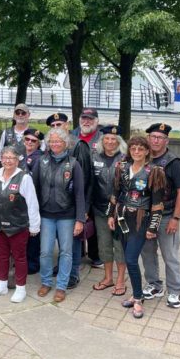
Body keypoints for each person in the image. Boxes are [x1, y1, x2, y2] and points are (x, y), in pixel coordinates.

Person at [109, 135, 166, 319]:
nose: (136, 152)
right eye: (133, 148)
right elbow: (115, 193)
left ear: (147, 151)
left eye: (140, 149)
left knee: (131, 259)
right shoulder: (122, 168)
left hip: (141, 220)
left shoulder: (154, 172)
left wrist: (153, 227)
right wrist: (110, 215)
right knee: (128, 258)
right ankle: (135, 295)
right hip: (122, 218)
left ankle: (138, 299)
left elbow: (157, 204)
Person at [33, 127, 86, 303]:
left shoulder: (74, 164)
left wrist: (80, 219)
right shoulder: (41, 162)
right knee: (45, 251)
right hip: (46, 215)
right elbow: (34, 189)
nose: (55, 144)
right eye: (52, 141)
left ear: (65, 143)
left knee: (66, 252)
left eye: (58, 141)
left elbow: (79, 194)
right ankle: (46, 282)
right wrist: (33, 215)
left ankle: (61, 286)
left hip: (67, 216)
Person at [140, 122, 180, 308]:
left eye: (160, 138)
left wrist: (176, 218)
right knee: (147, 253)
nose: (156, 140)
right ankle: (154, 284)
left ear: (166, 141)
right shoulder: (142, 158)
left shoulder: (174, 162)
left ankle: (175, 290)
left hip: (166, 215)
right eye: (153, 137)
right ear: (148, 139)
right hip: (145, 215)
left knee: (170, 256)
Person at [0, 146, 41, 303]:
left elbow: (32, 203)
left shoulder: (24, 178)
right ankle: (2, 284)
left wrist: (34, 226)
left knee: (19, 257)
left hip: (18, 226)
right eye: (5, 157)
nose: (8, 161)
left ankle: (20, 288)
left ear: (17, 160)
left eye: (11, 158)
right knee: (2, 256)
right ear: (1, 159)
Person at [46, 112, 92, 289]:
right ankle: (63, 266)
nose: (56, 128)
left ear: (67, 125)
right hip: (56, 204)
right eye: (53, 126)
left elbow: (86, 181)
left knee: (74, 240)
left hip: (73, 205)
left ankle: (73, 273)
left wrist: (84, 209)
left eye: (59, 124)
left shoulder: (79, 145)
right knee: (63, 240)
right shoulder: (52, 145)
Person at [90, 124, 127, 296]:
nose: (110, 142)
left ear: (119, 141)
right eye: (107, 138)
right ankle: (108, 278)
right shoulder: (94, 156)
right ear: (102, 140)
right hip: (100, 209)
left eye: (114, 139)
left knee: (119, 245)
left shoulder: (126, 158)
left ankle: (120, 280)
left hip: (120, 210)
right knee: (104, 244)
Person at [72, 107, 103, 268]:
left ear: (96, 121)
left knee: (93, 223)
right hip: (77, 185)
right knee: (76, 221)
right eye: (84, 118)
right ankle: (77, 253)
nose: (86, 121)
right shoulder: (71, 136)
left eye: (90, 119)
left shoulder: (103, 138)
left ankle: (95, 255)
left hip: (97, 186)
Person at [21, 128, 43, 274]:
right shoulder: (20, 155)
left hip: (34, 198)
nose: (29, 142)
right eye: (27, 139)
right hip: (19, 200)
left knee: (33, 233)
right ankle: (23, 261)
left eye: (33, 141)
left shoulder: (40, 157)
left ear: (38, 143)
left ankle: (32, 264)